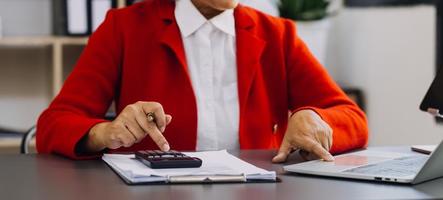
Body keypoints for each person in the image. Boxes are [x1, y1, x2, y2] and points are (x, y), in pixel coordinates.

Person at [36, 0, 368, 162]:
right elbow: (54, 124)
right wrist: (105, 132)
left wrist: (316, 118)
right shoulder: (123, 28)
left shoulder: (278, 35)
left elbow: (352, 118)